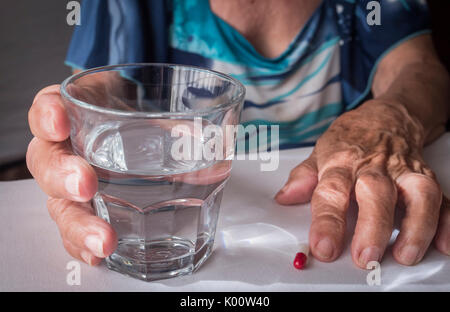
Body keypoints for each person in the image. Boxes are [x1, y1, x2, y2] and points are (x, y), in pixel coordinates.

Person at [27, 0, 449, 268]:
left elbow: (417, 67)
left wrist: (390, 119)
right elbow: (97, 92)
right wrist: (65, 131)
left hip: (322, 204)